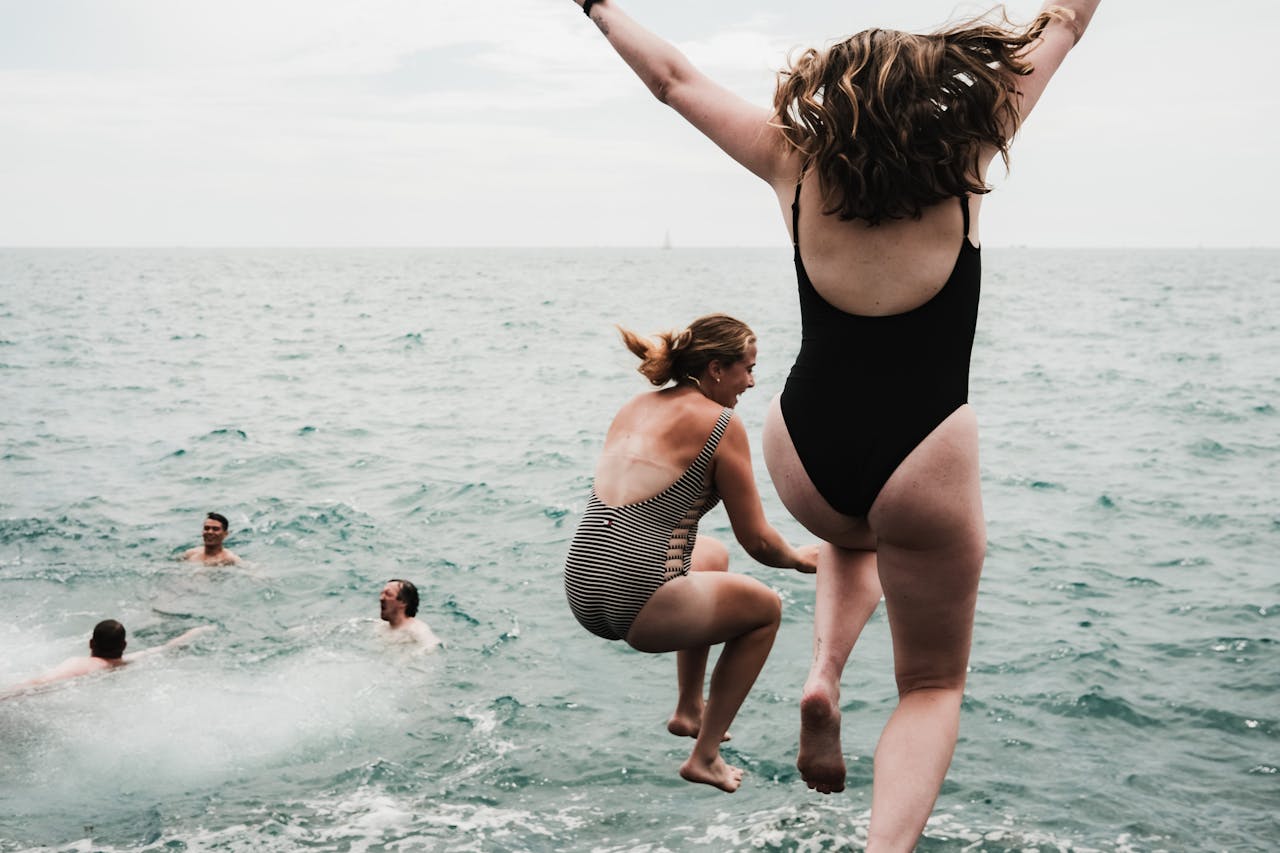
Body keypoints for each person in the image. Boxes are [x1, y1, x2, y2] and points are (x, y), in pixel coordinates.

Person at [571, 0, 1099, 844]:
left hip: (804, 445)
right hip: (926, 451)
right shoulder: (970, 147)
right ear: (928, 90)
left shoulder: (794, 162)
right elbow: (1065, 21)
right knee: (930, 683)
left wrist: (598, 6)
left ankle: (823, 671)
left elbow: (672, 80)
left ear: (836, 96)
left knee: (853, 541)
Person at [564, 314, 819, 793]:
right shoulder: (722, 423)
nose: (751, 380)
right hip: (638, 601)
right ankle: (704, 757)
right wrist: (802, 559)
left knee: (713, 554)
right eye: (747, 367)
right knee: (766, 610)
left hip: (582, 585)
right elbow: (759, 542)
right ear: (717, 368)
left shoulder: (635, 405)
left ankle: (688, 709)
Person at [8, 620, 215, 692]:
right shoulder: (129, 663)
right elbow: (166, 648)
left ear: (91, 643)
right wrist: (199, 630)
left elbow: (38, 683)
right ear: (124, 645)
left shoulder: (80, 664)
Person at [378, 579, 442, 650]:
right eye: (382, 593)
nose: (381, 598)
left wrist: (414, 657)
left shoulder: (416, 629)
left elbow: (433, 646)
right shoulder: (381, 626)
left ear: (403, 602)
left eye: (388, 594)